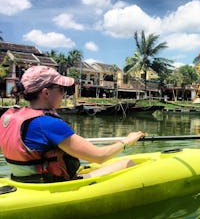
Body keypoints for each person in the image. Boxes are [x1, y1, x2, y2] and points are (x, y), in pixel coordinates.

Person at [0, 66, 145, 183]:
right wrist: (126, 141)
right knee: (129, 163)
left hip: (21, 181)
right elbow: (100, 156)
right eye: (62, 89)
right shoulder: (48, 123)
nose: (64, 94)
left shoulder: (8, 116)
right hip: (51, 185)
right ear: (45, 93)